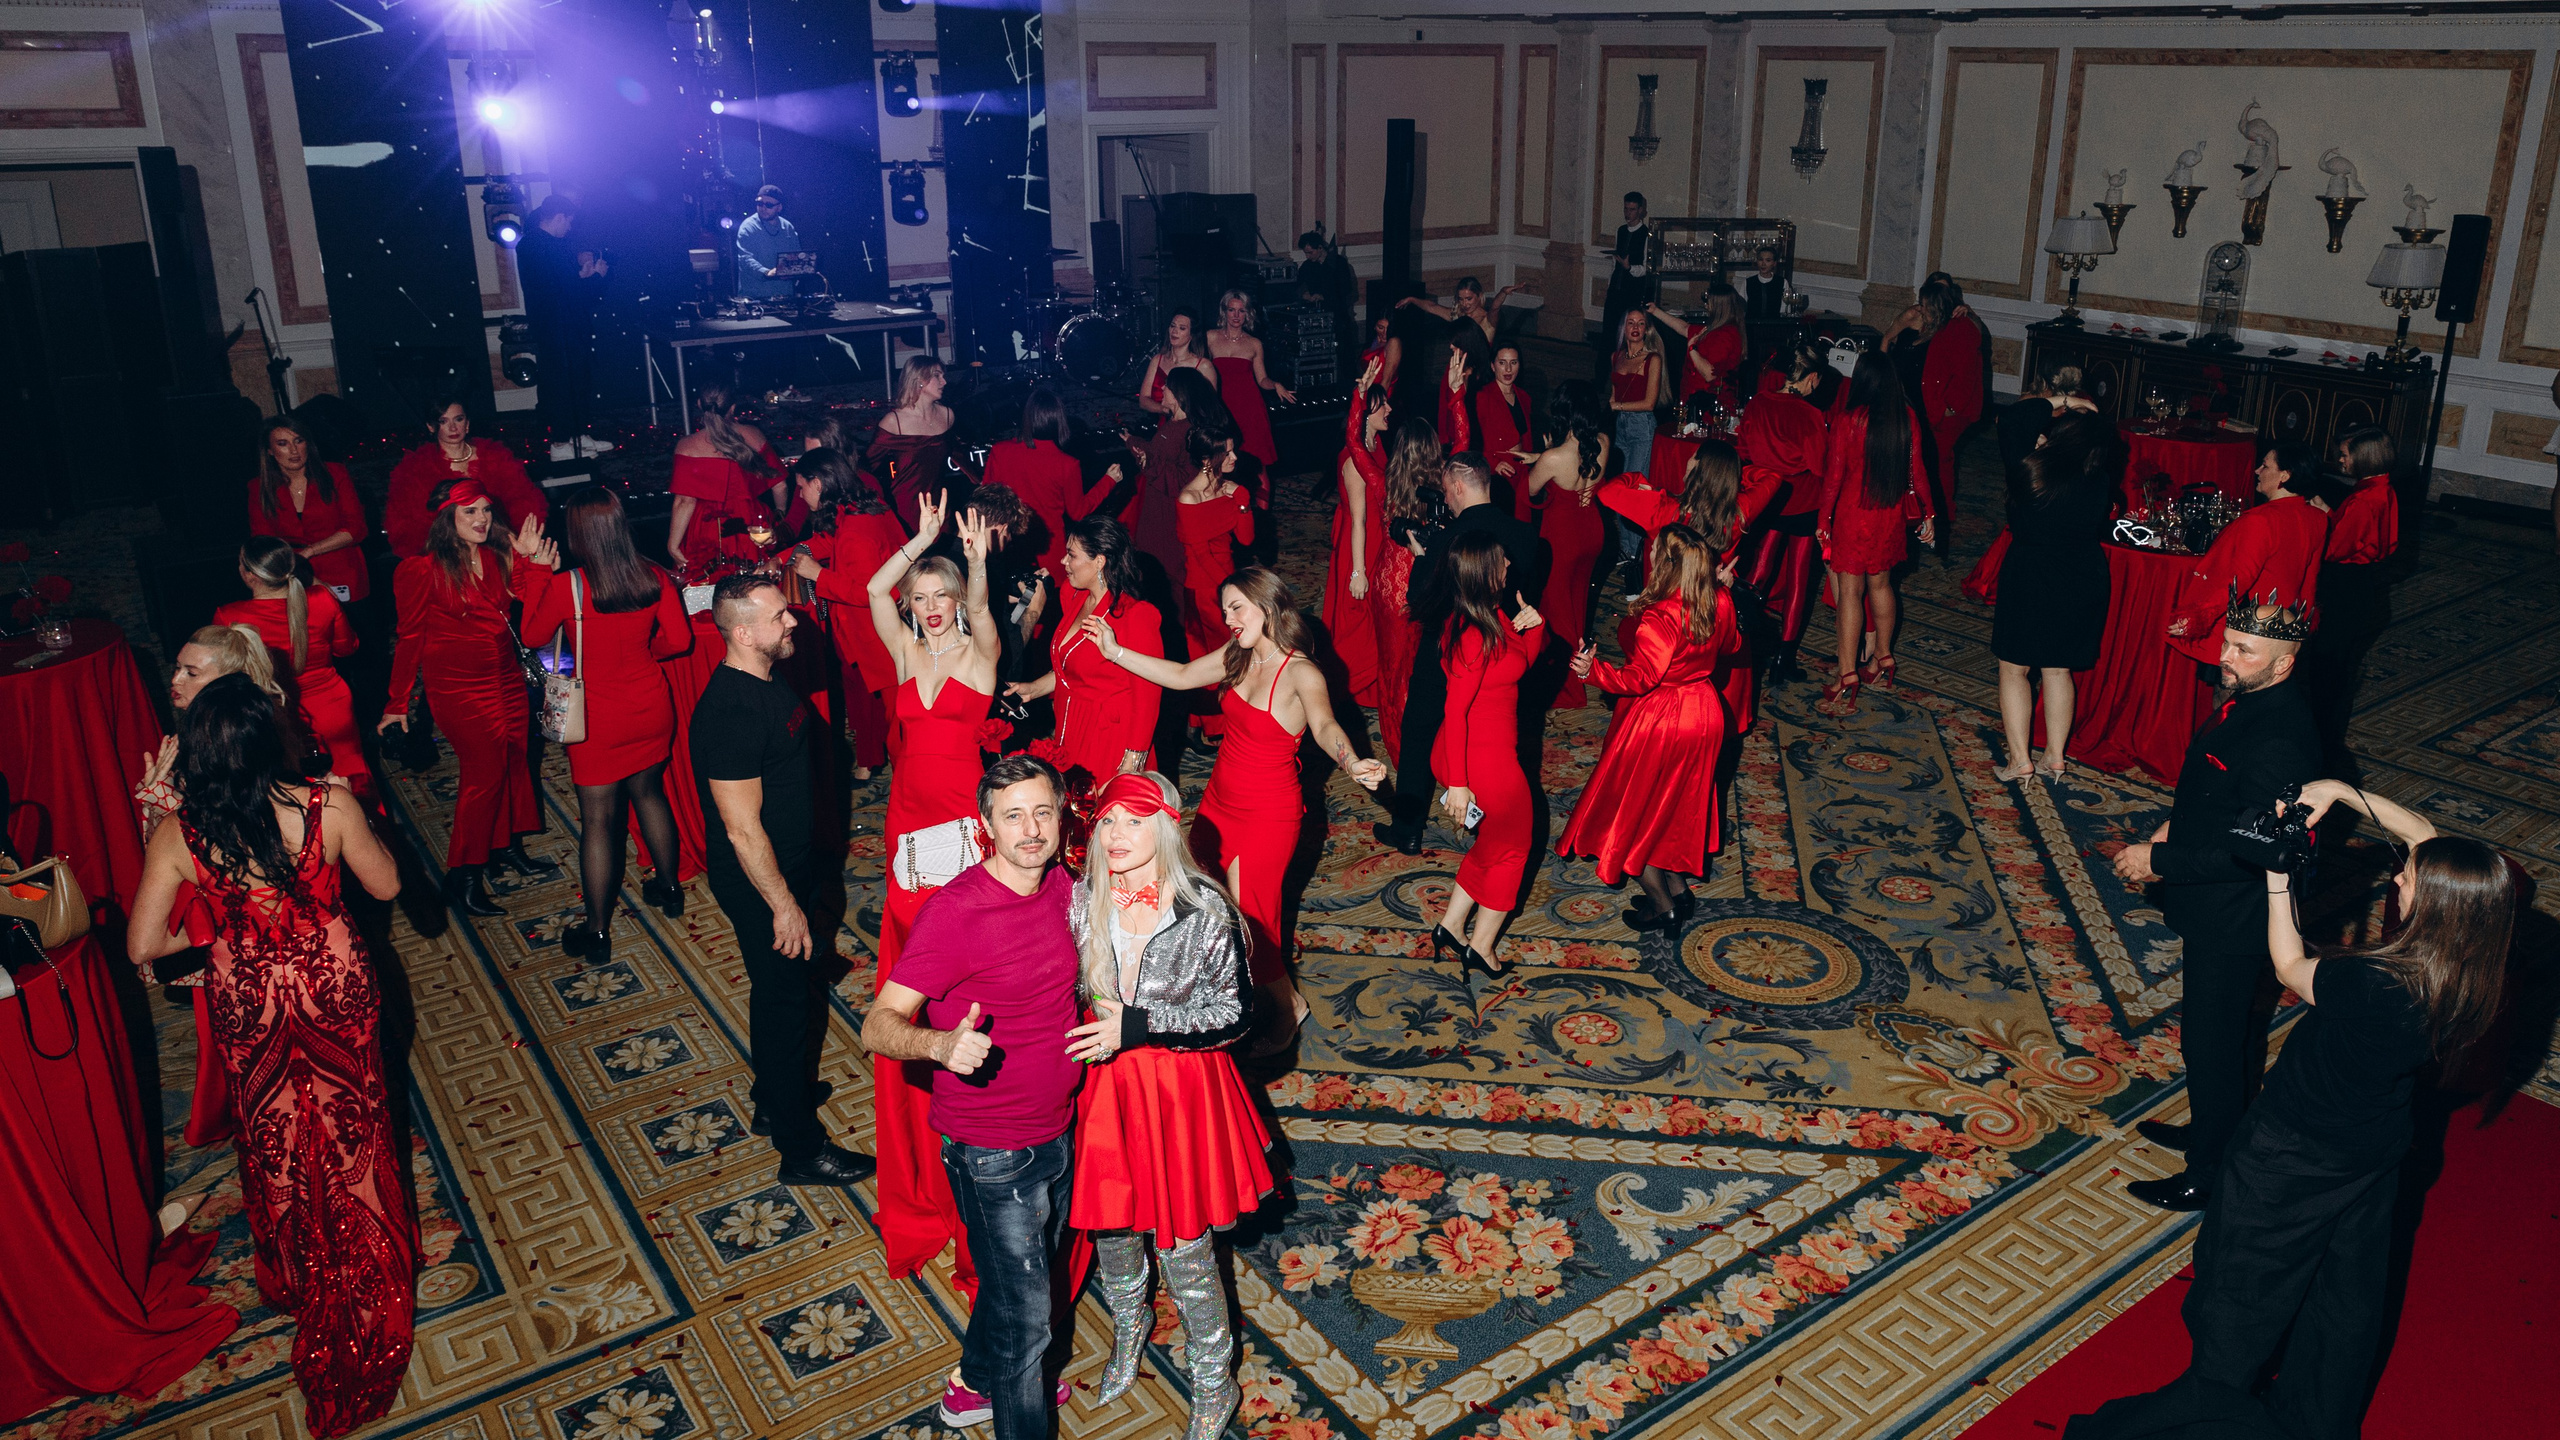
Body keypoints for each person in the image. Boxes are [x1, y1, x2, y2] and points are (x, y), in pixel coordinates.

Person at [2074, 784, 2511, 1440]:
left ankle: (2187, 1412)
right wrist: (2341, 792)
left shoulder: (2376, 987)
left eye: (2409, 877)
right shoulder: (2470, 967)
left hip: (2292, 1152)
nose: (2399, 875)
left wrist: (2278, 883)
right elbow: (2423, 834)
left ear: (2439, 903)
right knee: (2344, 1300)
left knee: (2237, 1289)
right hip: (2377, 1149)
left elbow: (2289, 965)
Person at [126, 674, 413, 1439]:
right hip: (333, 988)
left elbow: (143, 947)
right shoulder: (327, 804)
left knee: (280, 1137)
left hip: (249, 999)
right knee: (354, 1124)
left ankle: (301, 1270)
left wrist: (223, 942)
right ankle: (373, 1266)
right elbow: (383, 885)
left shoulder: (182, 833)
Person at [861, 755, 1084, 1439]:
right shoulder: (955, 913)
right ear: (987, 827)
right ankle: (1009, 1393)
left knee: (1020, 1282)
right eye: (1013, 815)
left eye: (1043, 811)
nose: (1031, 828)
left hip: (1058, 1127)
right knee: (1027, 1331)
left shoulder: (1064, 887)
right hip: (991, 1152)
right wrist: (937, 1046)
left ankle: (971, 1389)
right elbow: (877, 1024)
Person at [1081, 567, 1386, 1040]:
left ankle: (1288, 1011)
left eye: (1236, 608)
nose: (1228, 619)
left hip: (1268, 814)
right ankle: (1206, 1001)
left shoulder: (1300, 671)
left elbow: (1325, 727)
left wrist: (1352, 763)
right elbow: (1181, 676)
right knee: (1203, 905)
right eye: (1225, 611)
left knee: (1249, 922)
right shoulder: (1237, 656)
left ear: (1267, 606)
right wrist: (1114, 651)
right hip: (1220, 803)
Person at [1065, 770, 1274, 1440]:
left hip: (1181, 1092)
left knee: (1186, 1246)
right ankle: (1131, 1328)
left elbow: (1238, 1017)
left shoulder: (1207, 909)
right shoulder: (1081, 897)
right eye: (1107, 821)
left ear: (1165, 826)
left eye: (1134, 820)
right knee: (1113, 1232)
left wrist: (1143, 1024)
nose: (1117, 835)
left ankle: (1216, 1382)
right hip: (1105, 1092)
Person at [2109, 591, 2322, 1211]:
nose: (2224, 656)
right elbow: (2216, 800)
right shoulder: (2249, 700)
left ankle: (2210, 1170)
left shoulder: (2279, 735)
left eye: (2242, 649)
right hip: (2212, 906)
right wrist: (2167, 831)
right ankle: (2212, 1130)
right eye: (2227, 642)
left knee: (2215, 1039)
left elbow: (2256, 849)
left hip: (2238, 914)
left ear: (2282, 664)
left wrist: (2159, 861)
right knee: (2212, 1033)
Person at [860, 492, 1001, 1293]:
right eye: (925, 599)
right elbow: (874, 595)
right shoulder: (907, 656)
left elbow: (985, 622)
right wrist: (917, 542)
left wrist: (972, 564)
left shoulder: (978, 657)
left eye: (941, 598)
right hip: (907, 836)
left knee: (963, 964)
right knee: (913, 964)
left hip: (963, 834)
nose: (933, 609)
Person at [691, 574, 875, 1187]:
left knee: (782, 992)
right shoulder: (732, 713)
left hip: (788, 868)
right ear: (742, 633)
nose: (792, 622)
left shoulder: (766, 683)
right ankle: (801, 1150)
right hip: (761, 881)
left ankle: (776, 1096)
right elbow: (742, 830)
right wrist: (784, 907)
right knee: (786, 1002)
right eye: (779, 617)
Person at [519, 487, 692, 959]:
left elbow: (533, 636)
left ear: (576, 533)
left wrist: (535, 571)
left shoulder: (566, 585)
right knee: (650, 794)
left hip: (596, 718)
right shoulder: (654, 576)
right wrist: (641, 661)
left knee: (599, 820)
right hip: (650, 705)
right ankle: (669, 889)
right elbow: (677, 642)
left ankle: (596, 931)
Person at [1556, 525, 1750, 931]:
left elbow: (1640, 679)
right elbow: (1732, 647)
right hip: (1706, 712)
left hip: (1662, 719)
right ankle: (1678, 891)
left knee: (1634, 815)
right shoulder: (1718, 600)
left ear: (1665, 563)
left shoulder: (1659, 617)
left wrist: (1595, 672)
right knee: (1673, 810)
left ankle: (1665, 906)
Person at [379, 481, 552, 915]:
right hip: (458, 688)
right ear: (447, 519)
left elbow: (531, 599)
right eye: (469, 512)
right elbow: (409, 637)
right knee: (484, 774)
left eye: (486, 511)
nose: (481, 520)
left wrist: (531, 559)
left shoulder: (495, 556)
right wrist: (397, 702)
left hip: (506, 677)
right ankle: (465, 873)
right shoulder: (420, 569)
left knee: (515, 758)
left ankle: (505, 846)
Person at [1375, 452, 1542, 855]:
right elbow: (1522, 599)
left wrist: (1419, 559)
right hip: (1504, 650)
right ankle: (1490, 813)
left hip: (1449, 648)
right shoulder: (1525, 535)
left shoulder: (1450, 539)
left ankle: (1409, 828)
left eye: (1447, 491)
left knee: (1419, 732)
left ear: (1459, 487)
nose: (1446, 500)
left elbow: (1418, 601)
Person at [1427, 531, 1545, 971]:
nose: (1509, 565)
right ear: (1484, 572)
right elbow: (1454, 712)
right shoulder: (1473, 634)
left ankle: (1452, 926)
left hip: (1486, 751)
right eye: (1502, 560)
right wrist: (1458, 784)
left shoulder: (1491, 615)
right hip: (1479, 759)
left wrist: (1532, 628)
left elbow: (1519, 668)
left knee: (1496, 842)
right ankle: (1482, 947)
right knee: (1516, 845)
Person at [1991, 413, 2127, 782]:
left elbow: (2011, 424)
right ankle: (2055, 756)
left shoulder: (2030, 469)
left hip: (2031, 572)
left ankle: (2020, 759)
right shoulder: (2099, 480)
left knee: (2014, 668)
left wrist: (2063, 401)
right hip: (2082, 575)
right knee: (2058, 668)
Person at [1814, 352, 1935, 716]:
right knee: (1882, 586)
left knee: (1851, 594)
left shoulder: (1849, 420)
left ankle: (1846, 673)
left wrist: (1822, 520)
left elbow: (1833, 479)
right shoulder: (1907, 418)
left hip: (1853, 515)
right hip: (1889, 515)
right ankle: (1882, 657)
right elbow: (1919, 471)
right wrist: (1929, 513)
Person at [216, 536, 373, 806]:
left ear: (249, 575)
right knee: (355, 783)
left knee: (293, 796)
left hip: (276, 714)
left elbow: (228, 678)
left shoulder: (229, 616)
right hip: (332, 707)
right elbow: (348, 648)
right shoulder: (322, 598)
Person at [1009, 517, 1163, 780]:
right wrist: (1033, 689)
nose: (1063, 562)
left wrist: (1134, 758)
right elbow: (1070, 667)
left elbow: (1148, 696)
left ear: (1100, 561)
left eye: (1071, 555)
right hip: (1071, 726)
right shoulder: (1073, 595)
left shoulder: (1135, 615)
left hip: (1110, 738)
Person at [2165, 441, 2333, 665]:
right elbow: (2309, 580)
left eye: (2265, 466)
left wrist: (2197, 616)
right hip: (2283, 623)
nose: (2257, 471)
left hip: (2250, 626)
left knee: (2230, 692)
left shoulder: (2260, 521)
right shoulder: (2317, 518)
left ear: (2285, 475)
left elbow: (2236, 579)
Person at [1501, 381, 1609, 708]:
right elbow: (1577, 461)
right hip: (1593, 530)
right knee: (1577, 605)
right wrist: (1542, 455)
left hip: (1562, 537)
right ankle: (1578, 671)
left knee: (1557, 610)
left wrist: (1541, 458)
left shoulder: (1553, 457)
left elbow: (1530, 490)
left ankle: (1567, 688)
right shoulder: (1603, 442)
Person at [2303, 428, 2400, 775]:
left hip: (2346, 588)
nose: (2341, 460)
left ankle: (2319, 740)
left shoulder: (2362, 499)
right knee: (2339, 664)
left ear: (2364, 457)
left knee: (2327, 666)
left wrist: (2317, 520)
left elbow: (2336, 549)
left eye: (2345, 455)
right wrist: (2331, 512)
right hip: (2367, 587)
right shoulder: (2382, 488)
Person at [1734, 343, 1834, 681]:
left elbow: (1743, 450)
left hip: (1767, 499)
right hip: (1804, 504)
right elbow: (1820, 467)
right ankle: (1784, 661)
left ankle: (1739, 638)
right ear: (1811, 378)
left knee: (1757, 574)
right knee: (1798, 583)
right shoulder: (1810, 415)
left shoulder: (1758, 403)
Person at [1373, 397, 1449, 760]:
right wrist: (1456, 395)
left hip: (1389, 584)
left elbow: (1355, 446)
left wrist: (1359, 397)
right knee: (1421, 668)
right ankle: (1420, 745)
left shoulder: (1384, 484)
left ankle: (1399, 744)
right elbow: (1463, 440)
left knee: (1391, 667)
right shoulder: (1445, 486)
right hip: (1424, 584)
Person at [385, 396, 546, 562]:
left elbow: (524, 505)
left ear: (467, 423)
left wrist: (517, 545)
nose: (453, 427)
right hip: (449, 557)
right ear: (430, 427)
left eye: (458, 419)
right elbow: (408, 526)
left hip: (500, 548)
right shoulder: (415, 469)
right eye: (443, 421)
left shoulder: (496, 457)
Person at [516, 195, 614, 459]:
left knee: (576, 380)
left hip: (560, 323)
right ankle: (561, 442)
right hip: (558, 325)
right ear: (559, 217)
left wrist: (582, 277)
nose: (569, 228)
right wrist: (596, 277)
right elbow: (570, 291)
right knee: (563, 382)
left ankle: (577, 435)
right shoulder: (545, 245)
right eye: (568, 221)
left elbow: (560, 286)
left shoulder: (533, 244)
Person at [985, 388, 1118, 578]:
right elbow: (1078, 511)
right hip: (1047, 554)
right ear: (1059, 421)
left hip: (1007, 549)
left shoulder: (1000, 451)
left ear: (1027, 418)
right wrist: (1109, 481)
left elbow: (986, 502)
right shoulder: (1067, 464)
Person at [245, 415, 369, 612]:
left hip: (342, 571)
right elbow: (263, 542)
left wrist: (309, 551)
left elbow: (356, 529)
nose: (294, 451)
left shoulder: (335, 474)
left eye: (298, 441)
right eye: (283, 443)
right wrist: (303, 574)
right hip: (290, 576)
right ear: (269, 450)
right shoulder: (259, 487)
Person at [1328, 358, 1394, 707]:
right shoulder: (1355, 460)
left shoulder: (1374, 446)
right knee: (1358, 614)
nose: (1390, 409)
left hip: (1374, 537)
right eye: (1383, 405)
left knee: (1374, 616)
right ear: (1367, 413)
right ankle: (1347, 686)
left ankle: (1369, 686)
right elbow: (1358, 519)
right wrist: (1358, 571)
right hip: (1360, 544)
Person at [1905, 277, 1987, 548]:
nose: (1921, 308)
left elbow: (1965, 376)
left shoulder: (1961, 326)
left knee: (1937, 463)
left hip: (1949, 413)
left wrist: (1948, 409)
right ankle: (1933, 514)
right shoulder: (1939, 324)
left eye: (1925, 304)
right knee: (1935, 462)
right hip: (1935, 409)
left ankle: (1938, 518)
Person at [668, 386, 784, 573]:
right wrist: (780, 517)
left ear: (699, 404)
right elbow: (780, 485)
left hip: (708, 528)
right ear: (733, 408)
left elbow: (684, 502)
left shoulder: (686, 446)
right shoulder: (754, 435)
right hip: (751, 522)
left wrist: (672, 545)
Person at [1172, 426, 1255, 673]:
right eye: (1227, 453)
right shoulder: (1189, 498)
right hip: (1205, 591)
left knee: (1240, 651)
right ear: (1207, 460)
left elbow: (1246, 539)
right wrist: (1231, 589)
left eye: (1233, 451)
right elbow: (1201, 555)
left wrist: (1242, 500)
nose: (1235, 457)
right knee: (1215, 658)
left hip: (1228, 581)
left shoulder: (1230, 489)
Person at [870, 355, 972, 530]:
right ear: (920, 381)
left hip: (939, 504)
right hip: (905, 505)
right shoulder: (895, 422)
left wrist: (982, 482)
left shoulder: (947, 415)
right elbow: (869, 463)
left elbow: (957, 454)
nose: (944, 382)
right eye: (938, 376)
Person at [1208, 289, 1295, 473]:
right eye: (1232, 310)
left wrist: (1276, 384)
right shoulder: (1211, 337)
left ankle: (1257, 502)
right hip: (1220, 407)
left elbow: (1262, 379)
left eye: (1241, 310)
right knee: (1219, 461)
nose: (1236, 315)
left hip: (1249, 408)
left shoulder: (1254, 343)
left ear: (1248, 313)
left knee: (1257, 462)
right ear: (1224, 311)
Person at [1399, 276, 1521, 385]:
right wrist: (1412, 300)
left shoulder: (1487, 319)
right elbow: (1433, 307)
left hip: (1479, 372)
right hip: (1457, 369)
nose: (1464, 304)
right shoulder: (1457, 316)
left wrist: (1503, 293)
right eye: (1461, 299)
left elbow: (1495, 307)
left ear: (1479, 296)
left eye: (1469, 299)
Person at [1648, 287, 1747, 415]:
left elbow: (1710, 374)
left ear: (1719, 306)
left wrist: (1692, 348)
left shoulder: (1726, 335)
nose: (1706, 305)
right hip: (1698, 401)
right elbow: (1684, 328)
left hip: (1708, 406)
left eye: (1709, 301)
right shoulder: (1714, 329)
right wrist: (1655, 311)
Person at [1474, 342, 1537, 517]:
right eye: (1502, 362)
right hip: (1497, 475)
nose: (1508, 369)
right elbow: (1473, 440)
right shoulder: (1483, 397)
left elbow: (1526, 439)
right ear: (1493, 366)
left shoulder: (1524, 397)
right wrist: (1493, 463)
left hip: (1521, 473)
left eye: (1514, 362)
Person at [1607, 306, 1667, 481]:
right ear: (1623, 328)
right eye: (1630, 323)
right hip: (1620, 425)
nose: (1635, 328)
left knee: (1633, 484)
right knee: (1619, 483)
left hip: (1642, 426)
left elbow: (1649, 403)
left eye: (1641, 324)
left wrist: (1617, 406)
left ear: (1646, 329)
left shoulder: (1652, 359)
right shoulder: (1616, 357)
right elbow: (1614, 394)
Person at [1136, 306, 1220, 418]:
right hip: (1160, 425)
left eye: (1182, 328)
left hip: (1189, 427)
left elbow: (1210, 407)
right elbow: (1143, 400)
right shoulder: (1158, 360)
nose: (1175, 331)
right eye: (1172, 326)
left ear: (1191, 334)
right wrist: (1166, 410)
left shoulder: (1203, 366)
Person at [1600, 191, 1654, 360]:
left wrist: (1629, 267)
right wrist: (1610, 284)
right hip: (1616, 289)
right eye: (1626, 209)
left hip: (1632, 292)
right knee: (1608, 332)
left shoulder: (1646, 234)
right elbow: (1614, 262)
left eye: (1632, 209)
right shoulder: (1621, 230)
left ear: (1641, 211)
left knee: (1627, 334)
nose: (1628, 213)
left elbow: (1646, 268)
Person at [735, 184, 802, 301]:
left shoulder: (788, 227)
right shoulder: (748, 227)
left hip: (784, 294)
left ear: (779, 207)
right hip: (755, 296)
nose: (763, 208)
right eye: (760, 203)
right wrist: (766, 272)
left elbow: (796, 255)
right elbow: (745, 259)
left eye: (769, 205)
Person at [1743, 245, 1787, 321]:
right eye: (1761, 260)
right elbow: (1741, 306)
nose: (1763, 264)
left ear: (1774, 263)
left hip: (1774, 325)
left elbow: (1785, 308)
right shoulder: (1748, 282)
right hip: (1752, 325)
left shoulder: (1782, 282)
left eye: (1768, 260)